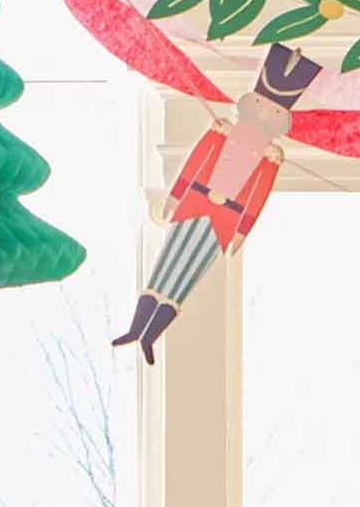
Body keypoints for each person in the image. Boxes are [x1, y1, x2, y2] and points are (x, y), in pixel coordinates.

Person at [113, 44, 321, 364]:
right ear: (250, 103)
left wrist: (242, 231)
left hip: (226, 219)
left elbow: (257, 197)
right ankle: (135, 329)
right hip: (195, 202)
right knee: (165, 266)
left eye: (274, 111)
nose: (265, 113)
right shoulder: (220, 133)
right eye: (261, 104)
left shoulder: (270, 158)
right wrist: (175, 196)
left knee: (186, 278)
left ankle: (150, 336)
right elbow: (195, 163)